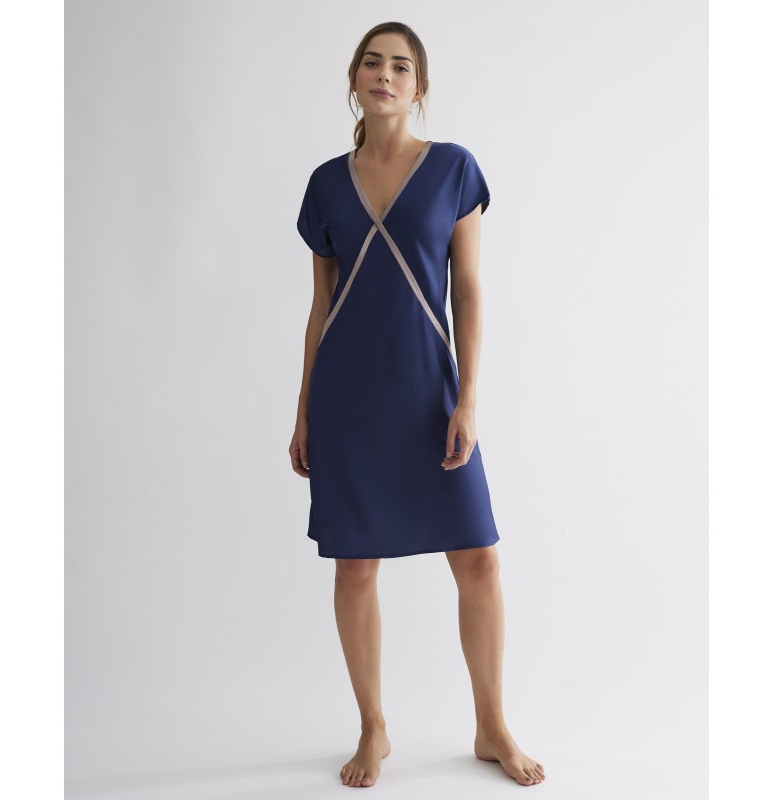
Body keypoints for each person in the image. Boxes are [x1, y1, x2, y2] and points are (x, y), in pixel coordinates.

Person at [288, 21, 545, 789]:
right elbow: (320, 309)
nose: (385, 74)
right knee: (354, 568)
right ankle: (373, 728)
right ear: (354, 79)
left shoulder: (454, 170)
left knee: (479, 559)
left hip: (429, 394)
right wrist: (303, 413)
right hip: (348, 399)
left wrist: (468, 398)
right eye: (372, 63)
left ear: (419, 87)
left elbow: (468, 288)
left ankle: (491, 724)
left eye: (401, 66)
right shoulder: (325, 185)